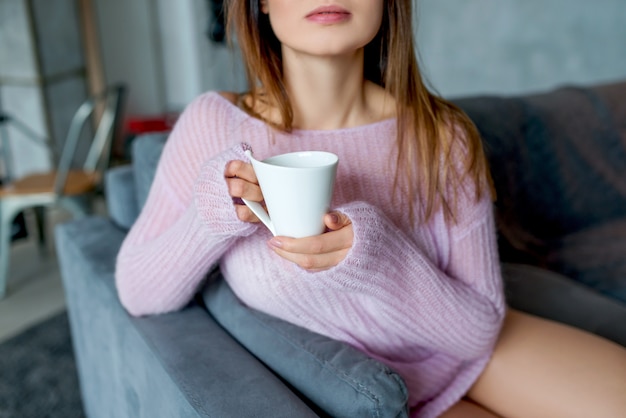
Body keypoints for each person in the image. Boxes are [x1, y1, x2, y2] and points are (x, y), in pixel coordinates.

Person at [115, 0, 626, 417]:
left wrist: (375, 255)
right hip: (381, 392)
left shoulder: (441, 135)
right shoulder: (214, 125)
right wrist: (211, 216)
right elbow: (138, 290)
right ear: (261, 3)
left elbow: (477, 331)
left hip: (471, 356)